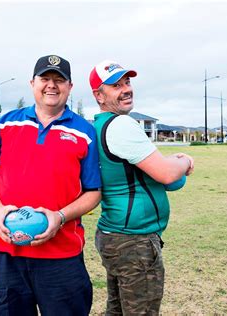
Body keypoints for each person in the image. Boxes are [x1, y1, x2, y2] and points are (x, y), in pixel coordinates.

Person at [0, 55, 101, 315]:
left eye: (59, 80)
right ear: (33, 83)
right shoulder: (8, 123)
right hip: (7, 250)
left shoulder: (84, 132)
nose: (51, 86)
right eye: (45, 79)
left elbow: (93, 192)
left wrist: (60, 216)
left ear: (70, 87)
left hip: (61, 253)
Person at [89, 60, 194, 315]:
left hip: (114, 236)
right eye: (116, 85)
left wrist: (169, 164)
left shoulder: (99, 126)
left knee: (117, 309)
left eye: (127, 82)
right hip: (133, 241)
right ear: (99, 95)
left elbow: (142, 172)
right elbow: (167, 175)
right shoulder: (122, 125)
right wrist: (185, 161)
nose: (126, 89)